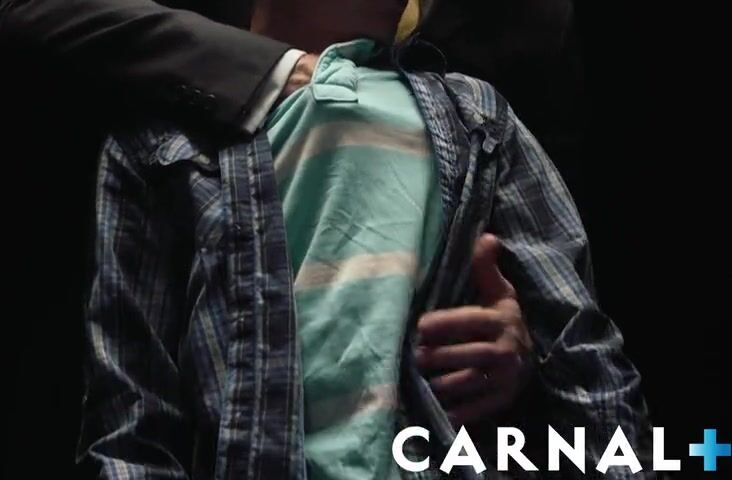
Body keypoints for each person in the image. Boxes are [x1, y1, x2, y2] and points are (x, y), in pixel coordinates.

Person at [73, 1, 655, 479]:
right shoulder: (162, 140)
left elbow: (586, 360)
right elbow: (133, 420)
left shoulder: (476, 114)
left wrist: (526, 358)